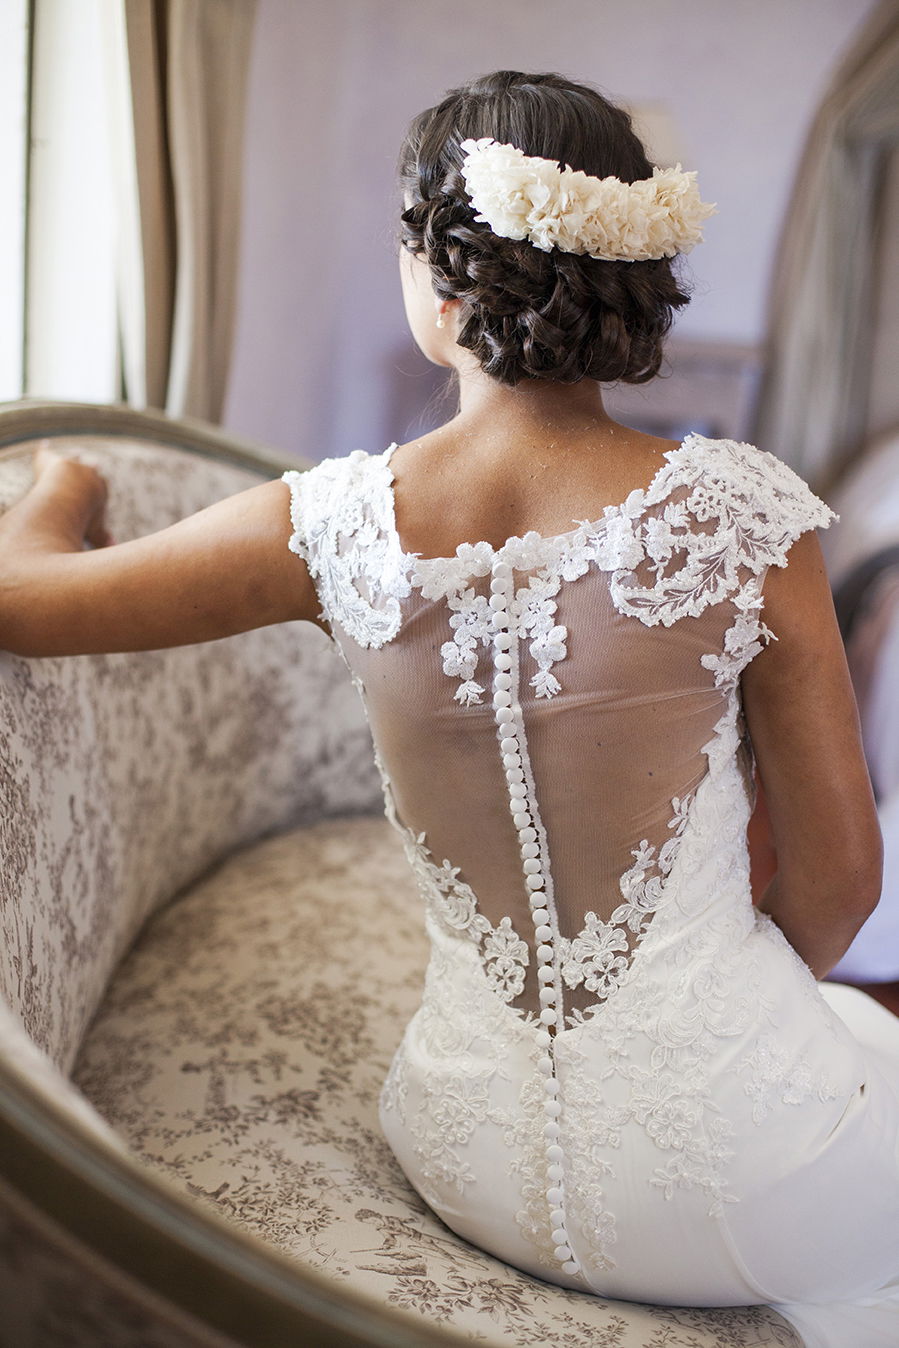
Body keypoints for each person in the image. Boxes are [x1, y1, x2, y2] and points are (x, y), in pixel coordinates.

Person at [1, 68, 897, 1348]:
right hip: (739, 1180)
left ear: (440, 276)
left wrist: (61, 480)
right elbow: (839, 890)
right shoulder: (742, 515)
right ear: (630, 271)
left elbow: (20, 595)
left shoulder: (330, 524)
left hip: (465, 1157)